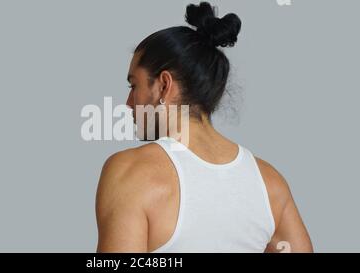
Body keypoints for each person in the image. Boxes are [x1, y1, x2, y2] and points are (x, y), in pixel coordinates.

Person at [95, 2, 313, 253]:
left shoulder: (130, 172)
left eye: (134, 86)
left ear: (164, 85)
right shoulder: (270, 183)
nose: (129, 104)